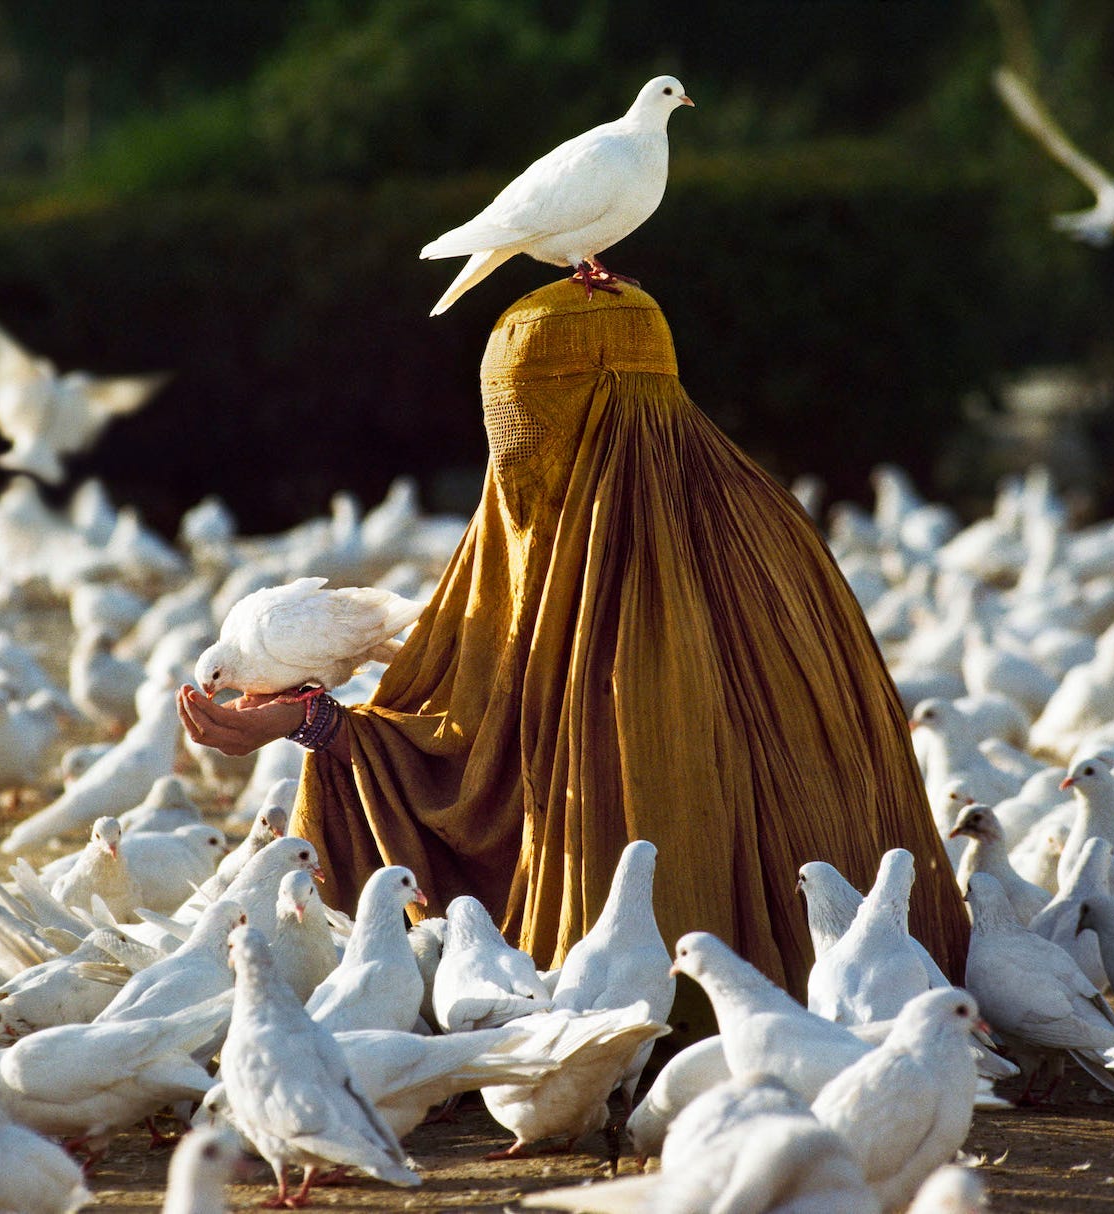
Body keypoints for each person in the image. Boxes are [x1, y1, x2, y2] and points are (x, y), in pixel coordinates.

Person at [179, 281, 968, 993]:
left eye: (534, 422)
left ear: (611, 404)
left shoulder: (739, 551)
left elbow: (543, 796)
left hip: (727, 990)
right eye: (504, 426)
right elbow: (469, 758)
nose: (518, 457)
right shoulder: (540, 550)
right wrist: (306, 718)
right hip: (875, 986)